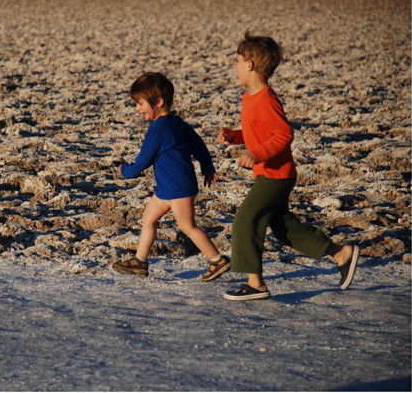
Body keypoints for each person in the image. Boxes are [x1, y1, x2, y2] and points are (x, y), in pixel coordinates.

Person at [219, 31, 360, 301]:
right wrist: (235, 137)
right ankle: (341, 253)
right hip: (271, 173)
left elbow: (283, 134)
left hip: (275, 175)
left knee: (245, 220)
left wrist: (256, 154)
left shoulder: (266, 99)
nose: (234, 66)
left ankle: (256, 284)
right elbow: (259, 132)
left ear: (249, 65)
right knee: (285, 228)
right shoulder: (250, 96)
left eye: (236, 60)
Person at [112, 72, 230, 281]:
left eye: (140, 104)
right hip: (167, 187)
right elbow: (199, 144)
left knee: (187, 226)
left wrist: (126, 171)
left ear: (158, 102)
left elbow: (144, 159)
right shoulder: (177, 122)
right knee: (148, 219)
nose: (137, 109)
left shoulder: (158, 128)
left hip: (178, 187)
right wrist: (207, 166)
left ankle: (217, 260)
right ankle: (140, 261)